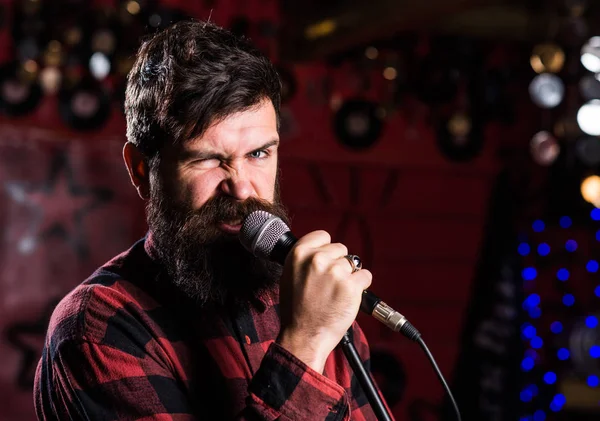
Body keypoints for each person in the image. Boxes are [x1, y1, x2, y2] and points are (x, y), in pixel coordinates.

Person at [34, 20, 389, 420]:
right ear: (140, 170)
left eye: (258, 154)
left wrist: (320, 330)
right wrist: (306, 345)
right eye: (206, 159)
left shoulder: (315, 304)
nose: (241, 189)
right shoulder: (98, 330)